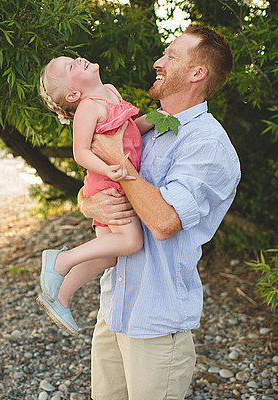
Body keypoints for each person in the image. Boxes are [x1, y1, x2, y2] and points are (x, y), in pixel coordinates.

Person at [78, 24, 241, 400]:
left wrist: (117, 158)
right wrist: (86, 202)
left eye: (170, 56)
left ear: (197, 73)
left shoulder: (208, 145)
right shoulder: (143, 129)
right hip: (114, 307)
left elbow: (165, 222)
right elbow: (97, 189)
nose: (158, 62)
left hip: (156, 321)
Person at [36, 55, 164, 336]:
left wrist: (155, 119)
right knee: (130, 242)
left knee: (109, 255)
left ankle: (61, 296)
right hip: (107, 184)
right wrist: (109, 168)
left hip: (116, 178)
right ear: (73, 93)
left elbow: (130, 130)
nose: (78, 59)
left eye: (72, 58)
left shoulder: (111, 92)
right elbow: (80, 152)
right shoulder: (88, 108)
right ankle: (61, 261)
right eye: (71, 66)